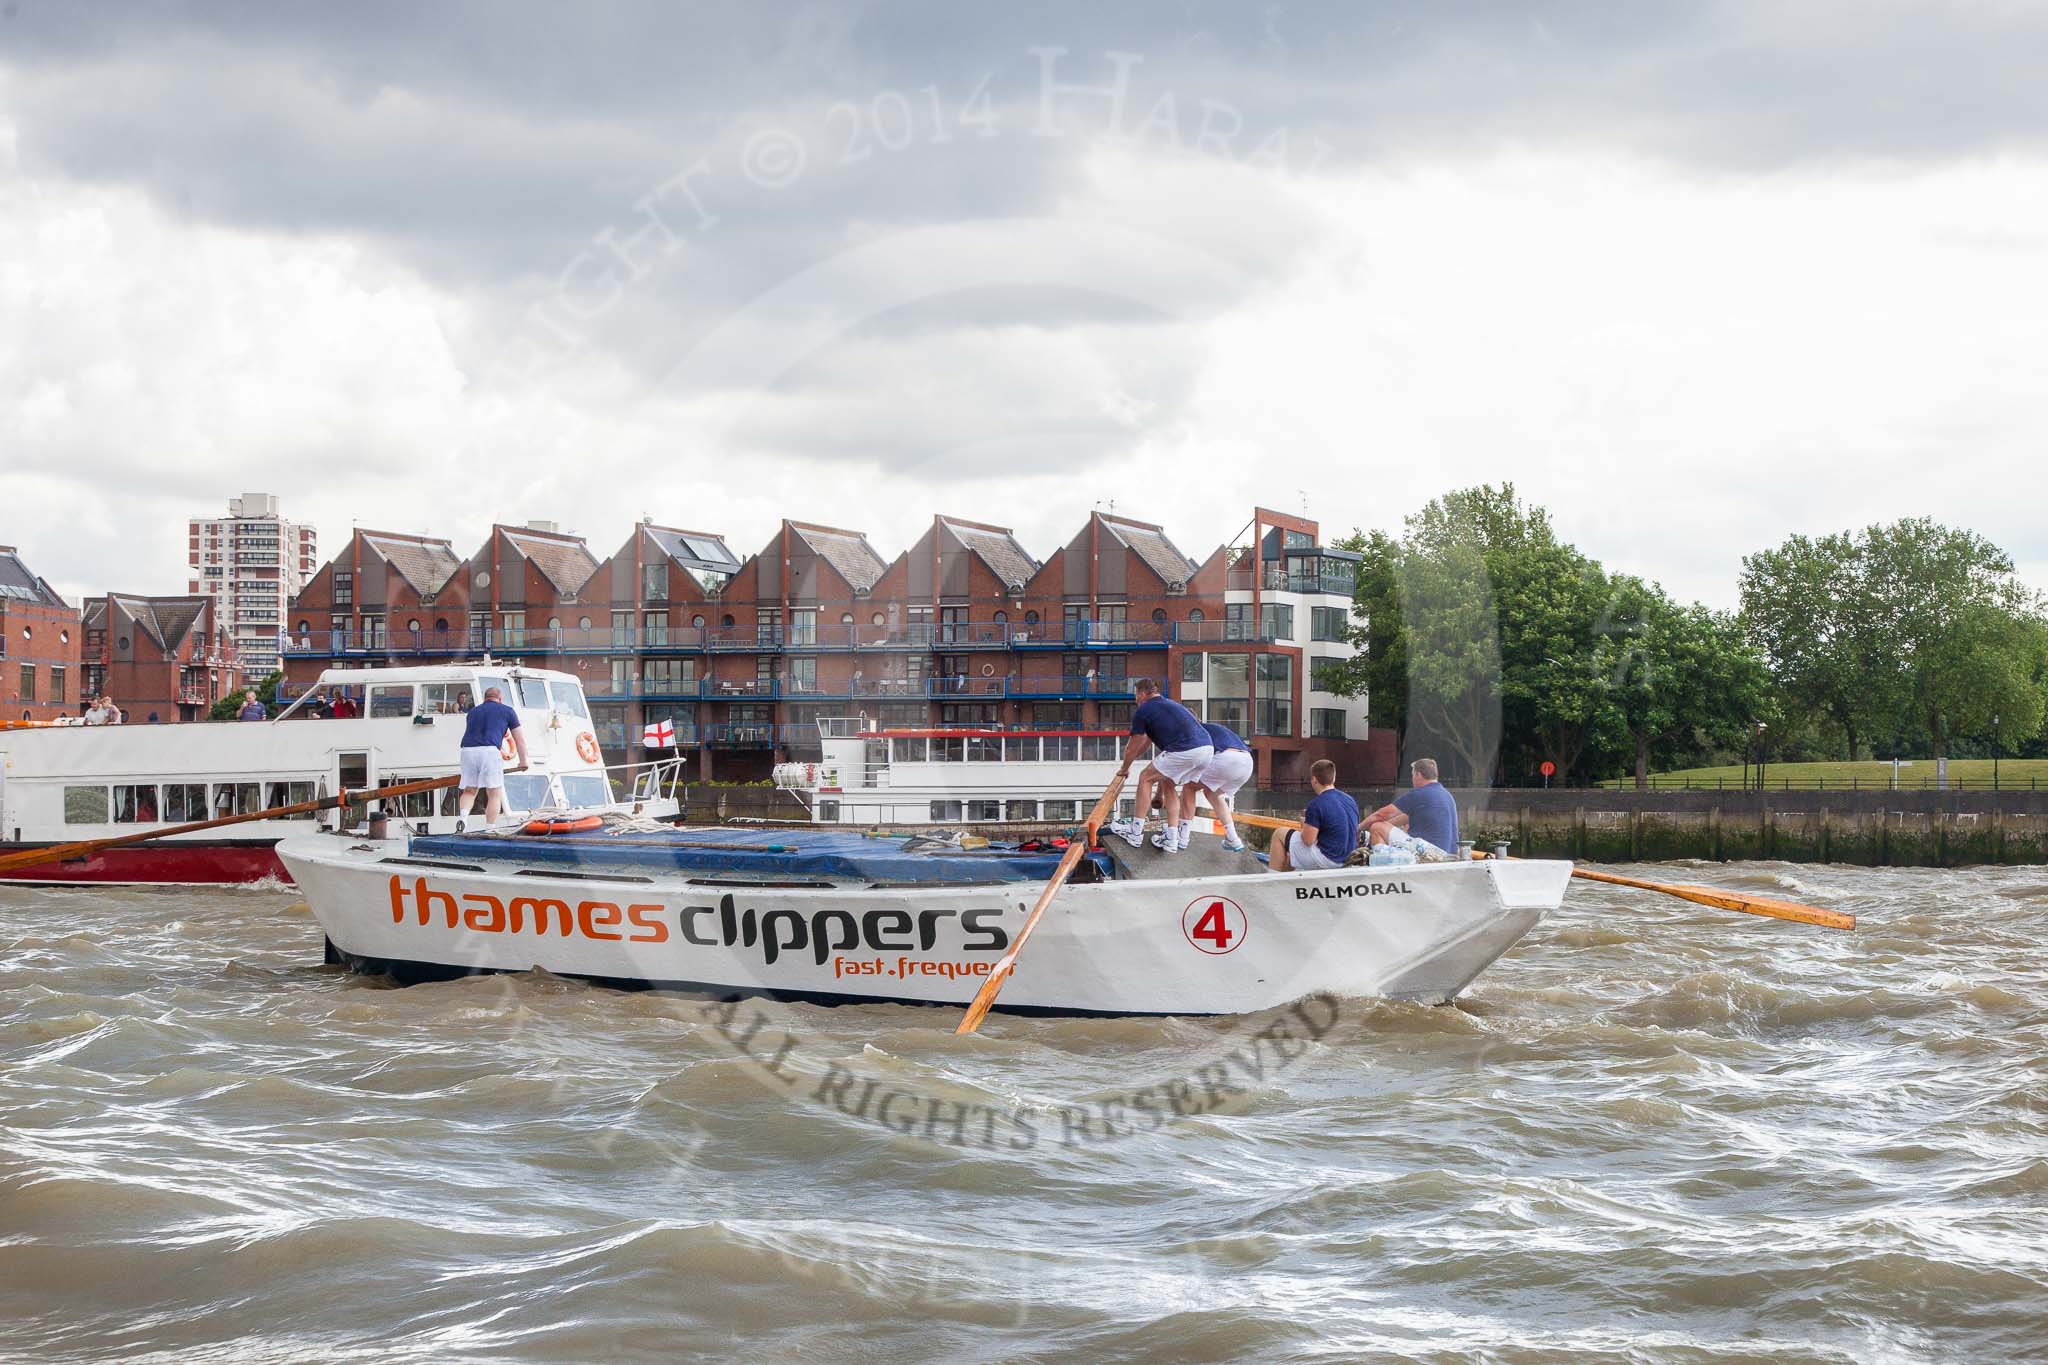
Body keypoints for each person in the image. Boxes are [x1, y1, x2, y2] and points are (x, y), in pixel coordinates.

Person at [1110, 678, 1212, 854]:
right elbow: (1145, 745)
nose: (1136, 700)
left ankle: (1135, 832)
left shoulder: (1144, 710)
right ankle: (1172, 838)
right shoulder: (1169, 706)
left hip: (1185, 749)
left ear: (1142, 694)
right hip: (1206, 750)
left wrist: (1125, 769)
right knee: (1168, 783)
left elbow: (1132, 747)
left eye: (1136, 696)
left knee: (1145, 777)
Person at [1269, 758, 1359, 873]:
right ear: (1333, 778)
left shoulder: (1316, 804)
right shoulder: (1350, 800)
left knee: (1279, 833)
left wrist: (1304, 824)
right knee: (1293, 851)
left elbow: (1308, 841)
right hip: (1346, 858)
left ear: (1314, 780)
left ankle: (1270, 880)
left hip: (1328, 860)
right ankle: (1289, 881)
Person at [457, 685, 529, 824]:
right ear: (500, 699)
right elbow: (519, 741)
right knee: (494, 793)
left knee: (470, 790)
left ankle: (463, 821)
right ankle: (490, 827)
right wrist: (523, 761)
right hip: (489, 751)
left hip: (467, 750)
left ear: (485, 699)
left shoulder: (473, 712)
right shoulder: (507, 711)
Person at [1362, 757, 1459, 859]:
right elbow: (1407, 816)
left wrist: (1359, 828)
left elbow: (1381, 814)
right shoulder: (1447, 795)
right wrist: (1387, 825)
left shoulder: (1419, 794)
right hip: (1450, 854)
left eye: (1412, 775)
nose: (1412, 779)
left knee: (1377, 827)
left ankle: (1382, 867)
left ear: (1418, 774)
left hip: (1431, 854)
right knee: (1385, 827)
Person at [1186, 721, 1255, 852]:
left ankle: (1182, 836)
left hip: (1228, 758)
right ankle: (1233, 837)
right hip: (1247, 762)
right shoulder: (1215, 728)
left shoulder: (1195, 730)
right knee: (1212, 793)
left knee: (1190, 787)